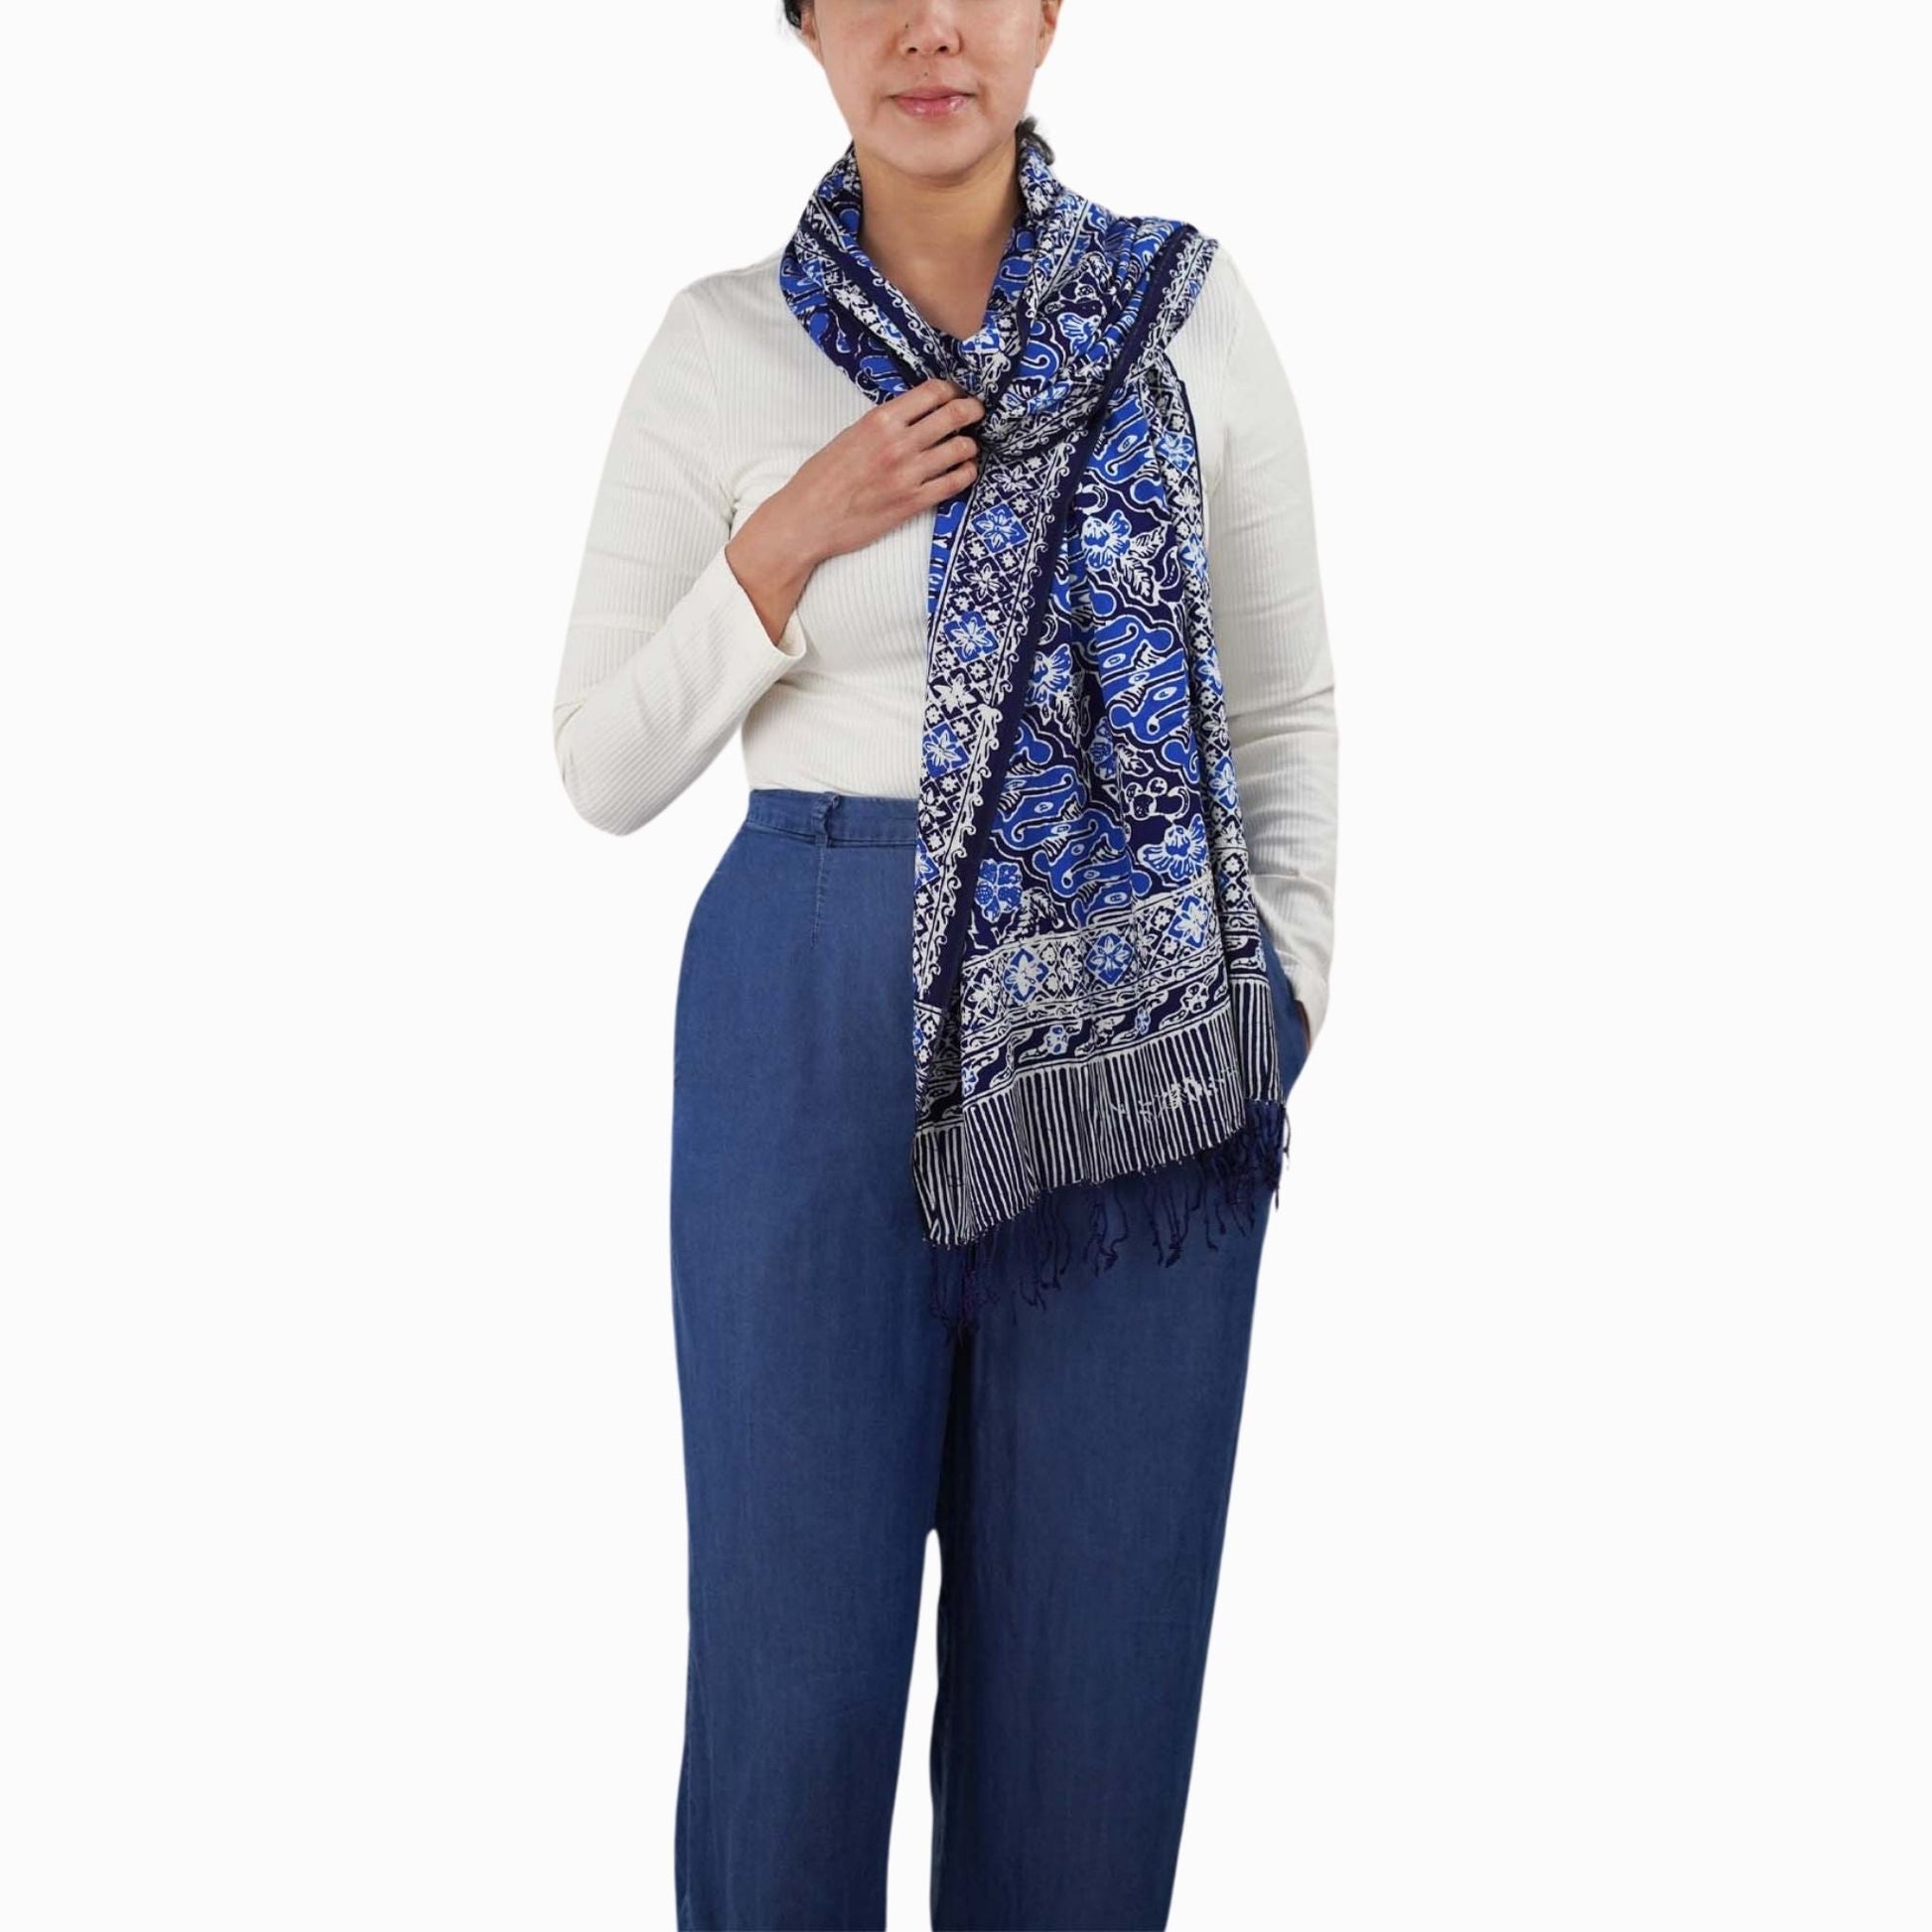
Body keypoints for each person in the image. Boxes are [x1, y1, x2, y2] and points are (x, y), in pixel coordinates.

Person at [550, 3, 1338, 1924]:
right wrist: (788, 540)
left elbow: (1282, 703)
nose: (931, 29)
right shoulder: (722, 343)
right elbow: (601, 763)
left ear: (1050, 11)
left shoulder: (1183, 316)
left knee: (1091, 1684)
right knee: (794, 1674)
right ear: (804, 24)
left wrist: (1275, 999)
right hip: (809, 993)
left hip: (1138, 1038)